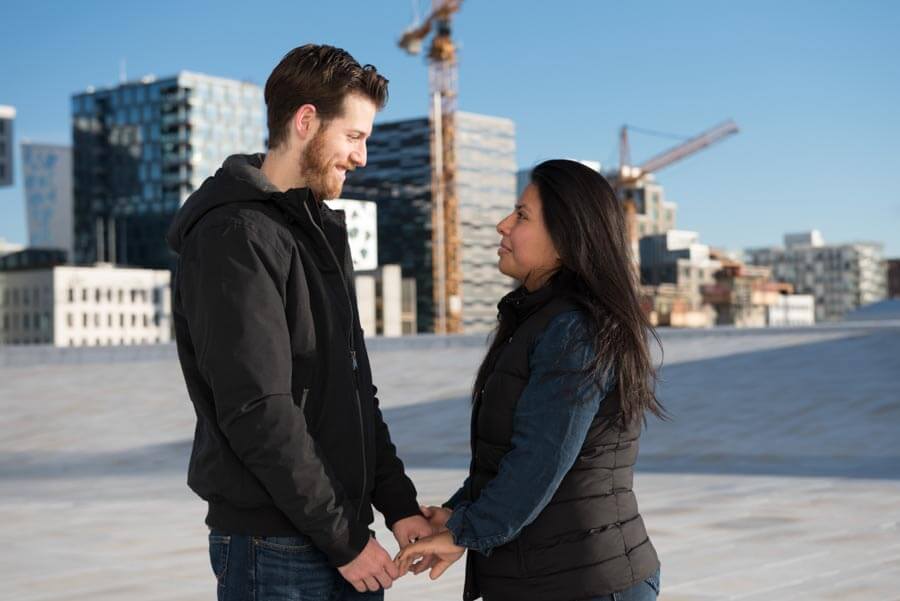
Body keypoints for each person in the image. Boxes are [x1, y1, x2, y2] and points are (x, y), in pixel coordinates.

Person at [167, 44, 434, 600]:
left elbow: (356, 392)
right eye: (354, 137)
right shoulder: (234, 236)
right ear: (306, 121)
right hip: (279, 550)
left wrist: (399, 505)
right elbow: (258, 409)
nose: (362, 157)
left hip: (333, 535)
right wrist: (345, 540)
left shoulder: (315, 233)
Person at [396, 160, 665, 601]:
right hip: (549, 575)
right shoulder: (541, 319)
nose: (503, 225)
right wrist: (458, 514)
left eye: (521, 216)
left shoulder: (575, 328)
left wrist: (466, 531)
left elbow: (541, 460)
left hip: (582, 581)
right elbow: (514, 455)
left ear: (566, 238)